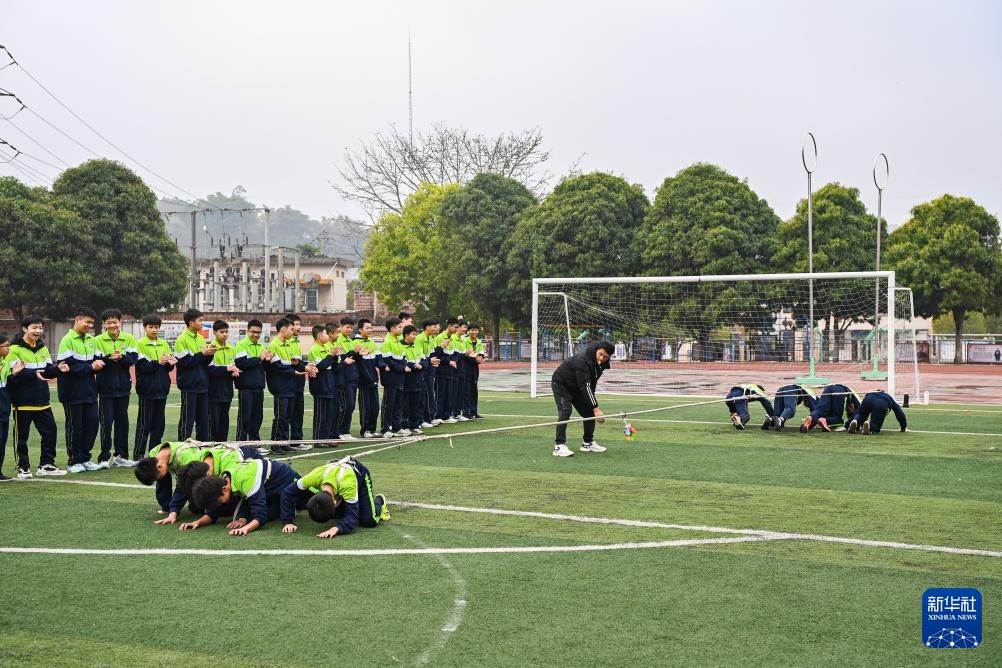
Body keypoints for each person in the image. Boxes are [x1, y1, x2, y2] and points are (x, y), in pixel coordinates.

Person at [134, 440, 262, 521]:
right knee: (199, 506)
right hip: (210, 467)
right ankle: (169, 507)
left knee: (219, 505)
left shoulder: (187, 460)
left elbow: (182, 487)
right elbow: (183, 485)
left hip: (248, 458)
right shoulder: (154, 455)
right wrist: (173, 510)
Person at [6, 315, 65, 478]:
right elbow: (15, 373)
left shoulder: (42, 348)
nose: (38, 331)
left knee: (50, 432)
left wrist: (59, 369)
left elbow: (47, 370)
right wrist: (35, 374)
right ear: (25, 329)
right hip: (23, 402)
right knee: (22, 437)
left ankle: (46, 464)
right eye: (34, 328)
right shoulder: (14, 349)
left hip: (42, 400)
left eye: (40, 328)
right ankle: (22, 467)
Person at [185, 457, 302, 535]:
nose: (218, 505)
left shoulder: (246, 480)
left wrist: (244, 528)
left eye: (218, 501)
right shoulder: (224, 479)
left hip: (288, 485)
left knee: (264, 514)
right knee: (241, 512)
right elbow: (213, 513)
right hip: (267, 488)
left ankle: (293, 506)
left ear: (224, 489)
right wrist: (198, 522)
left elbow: (260, 515)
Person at [279, 456, 388, 538]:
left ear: (335, 502)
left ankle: (380, 501)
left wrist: (336, 528)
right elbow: (287, 492)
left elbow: (353, 518)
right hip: (334, 472)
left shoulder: (347, 484)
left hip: (358, 476)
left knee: (368, 520)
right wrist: (288, 521)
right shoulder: (314, 476)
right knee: (337, 515)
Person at [57, 307, 103, 473]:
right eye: (87, 322)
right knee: (75, 427)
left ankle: (85, 458)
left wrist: (98, 365)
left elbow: (96, 360)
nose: (90, 325)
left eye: (92, 323)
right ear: (77, 320)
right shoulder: (67, 340)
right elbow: (68, 366)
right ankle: (73, 461)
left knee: (92, 424)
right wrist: (91, 366)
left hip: (90, 391)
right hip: (72, 392)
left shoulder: (91, 340)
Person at [550, 340, 613, 457]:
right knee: (565, 411)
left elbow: (591, 384)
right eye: (600, 354)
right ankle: (559, 446)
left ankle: (587, 443)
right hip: (561, 384)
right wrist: (596, 408)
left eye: (605, 357)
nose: (602, 358)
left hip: (577, 387)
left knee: (589, 411)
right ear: (596, 349)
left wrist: (591, 405)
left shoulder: (601, 363)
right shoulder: (583, 361)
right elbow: (585, 386)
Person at [93, 308, 137, 467]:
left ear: (121, 322)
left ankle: (121, 456)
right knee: (106, 423)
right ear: (104, 324)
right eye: (109, 322)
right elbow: (96, 360)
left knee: (122, 422)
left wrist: (122, 357)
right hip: (105, 388)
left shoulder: (129, 338)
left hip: (123, 387)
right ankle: (104, 457)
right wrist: (110, 358)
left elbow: (133, 359)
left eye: (115, 322)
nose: (112, 325)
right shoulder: (97, 340)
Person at [266, 317, 310, 453]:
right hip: (280, 386)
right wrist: (294, 371)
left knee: (287, 416)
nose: (292, 332)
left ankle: (284, 442)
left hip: (290, 385)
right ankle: (275, 444)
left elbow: (292, 363)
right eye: (291, 329)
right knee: (281, 415)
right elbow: (276, 366)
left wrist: (300, 367)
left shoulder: (288, 344)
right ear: (283, 329)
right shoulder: (274, 345)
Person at [133, 314, 176, 459]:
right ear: (145, 328)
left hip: (162, 390)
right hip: (147, 390)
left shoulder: (164, 344)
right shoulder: (139, 345)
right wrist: (160, 361)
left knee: (159, 427)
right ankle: (138, 456)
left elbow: (168, 369)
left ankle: (153, 454)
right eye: (150, 327)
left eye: (156, 327)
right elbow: (144, 366)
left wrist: (171, 362)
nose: (154, 330)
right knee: (144, 426)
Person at [174, 308, 214, 441]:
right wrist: (202, 354)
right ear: (191, 323)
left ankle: (202, 448)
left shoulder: (201, 339)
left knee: (204, 421)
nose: (202, 323)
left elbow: (203, 363)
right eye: (200, 320)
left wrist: (209, 354)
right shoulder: (181, 340)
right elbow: (184, 363)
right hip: (189, 385)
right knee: (187, 421)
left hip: (203, 384)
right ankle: (183, 449)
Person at [234, 319, 270, 442]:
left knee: (257, 417)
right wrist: (259, 358)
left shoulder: (261, 346)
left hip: (259, 387)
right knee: (245, 417)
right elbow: (241, 363)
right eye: (253, 332)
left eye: (258, 332)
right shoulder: (241, 345)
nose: (256, 335)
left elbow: (262, 366)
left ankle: (255, 443)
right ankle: (241, 443)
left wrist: (267, 360)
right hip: (246, 387)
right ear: (247, 331)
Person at [207, 320, 238, 441]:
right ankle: (212, 447)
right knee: (213, 422)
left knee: (224, 421)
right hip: (214, 392)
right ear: (215, 332)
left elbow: (232, 366)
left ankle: (223, 444)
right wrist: (227, 369)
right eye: (222, 332)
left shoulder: (231, 349)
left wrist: (234, 371)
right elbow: (210, 370)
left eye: (226, 332)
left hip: (227, 391)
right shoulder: (211, 348)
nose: (225, 334)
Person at [307, 324, 339, 444]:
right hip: (320, 387)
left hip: (329, 385)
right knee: (321, 415)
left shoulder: (326, 348)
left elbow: (332, 367)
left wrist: (335, 356)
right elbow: (320, 367)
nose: (327, 336)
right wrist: (330, 355)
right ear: (320, 335)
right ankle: (318, 439)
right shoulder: (314, 349)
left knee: (329, 414)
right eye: (326, 334)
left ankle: (326, 438)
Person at [378, 317, 406, 437]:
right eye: (400, 327)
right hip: (390, 378)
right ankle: (385, 428)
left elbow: (403, 358)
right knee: (388, 404)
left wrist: (404, 366)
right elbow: (388, 361)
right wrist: (402, 368)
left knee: (398, 403)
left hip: (399, 377)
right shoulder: (387, 342)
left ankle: (396, 426)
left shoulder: (399, 341)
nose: (401, 329)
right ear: (393, 328)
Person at [354, 318, 380, 438]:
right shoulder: (355, 343)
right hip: (364, 381)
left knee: (375, 407)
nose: (370, 330)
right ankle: (365, 431)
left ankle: (372, 429)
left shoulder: (372, 342)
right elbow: (358, 363)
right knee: (366, 407)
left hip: (374, 380)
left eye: (371, 328)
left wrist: (383, 366)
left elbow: (377, 361)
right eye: (367, 328)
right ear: (360, 329)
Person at [334, 317, 359, 440]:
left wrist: (358, 353)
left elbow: (354, 359)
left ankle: (346, 431)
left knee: (351, 406)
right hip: (343, 379)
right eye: (347, 327)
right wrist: (354, 352)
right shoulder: (338, 341)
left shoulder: (351, 340)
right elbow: (344, 358)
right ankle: (339, 431)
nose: (349, 329)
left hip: (352, 378)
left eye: (351, 327)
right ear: (341, 327)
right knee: (346, 406)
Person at [285, 313, 308, 444]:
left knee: (299, 413)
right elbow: (292, 364)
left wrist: (305, 366)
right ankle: (286, 441)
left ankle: (297, 439)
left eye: (300, 324)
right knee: (289, 414)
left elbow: (298, 362)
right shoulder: (287, 343)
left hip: (299, 383)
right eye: (296, 324)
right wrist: (303, 367)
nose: (299, 327)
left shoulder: (296, 341)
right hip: (290, 383)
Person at [414, 318, 441, 428]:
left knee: (429, 393)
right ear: (428, 327)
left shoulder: (431, 338)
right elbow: (419, 356)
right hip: (421, 370)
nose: (436, 328)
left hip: (429, 370)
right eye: (434, 326)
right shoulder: (419, 338)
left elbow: (432, 354)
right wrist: (430, 361)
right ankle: (422, 419)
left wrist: (435, 361)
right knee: (422, 395)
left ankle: (428, 417)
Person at [435, 318, 460, 423]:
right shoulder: (440, 337)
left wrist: (454, 361)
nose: (456, 329)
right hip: (441, 369)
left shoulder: (453, 338)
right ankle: (438, 415)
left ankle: (446, 415)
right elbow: (438, 353)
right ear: (449, 326)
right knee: (441, 393)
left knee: (449, 393)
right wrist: (448, 361)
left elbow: (456, 352)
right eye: (455, 327)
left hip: (451, 369)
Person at [401, 324, 425, 434]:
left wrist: (422, 365)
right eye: (413, 334)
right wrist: (413, 365)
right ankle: (404, 425)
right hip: (407, 381)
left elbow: (425, 361)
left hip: (418, 381)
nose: (416, 336)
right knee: (405, 404)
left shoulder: (417, 347)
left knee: (416, 404)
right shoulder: (401, 346)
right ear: (406, 335)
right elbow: (402, 362)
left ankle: (415, 425)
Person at [462, 323, 486, 420]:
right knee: (466, 391)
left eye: (476, 330)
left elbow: (481, 354)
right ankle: (466, 412)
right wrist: (475, 358)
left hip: (475, 369)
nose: (474, 332)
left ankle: (474, 411)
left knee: (474, 391)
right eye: (472, 330)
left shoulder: (479, 342)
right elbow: (465, 355)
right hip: (466, 368)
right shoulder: (465, 341)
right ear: (468, 331)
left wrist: (480, 358)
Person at [0, 336, 11, 481]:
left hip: (3, 408)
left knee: (2, 441)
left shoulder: (5, 363)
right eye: (6, 345)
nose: (9, 348)